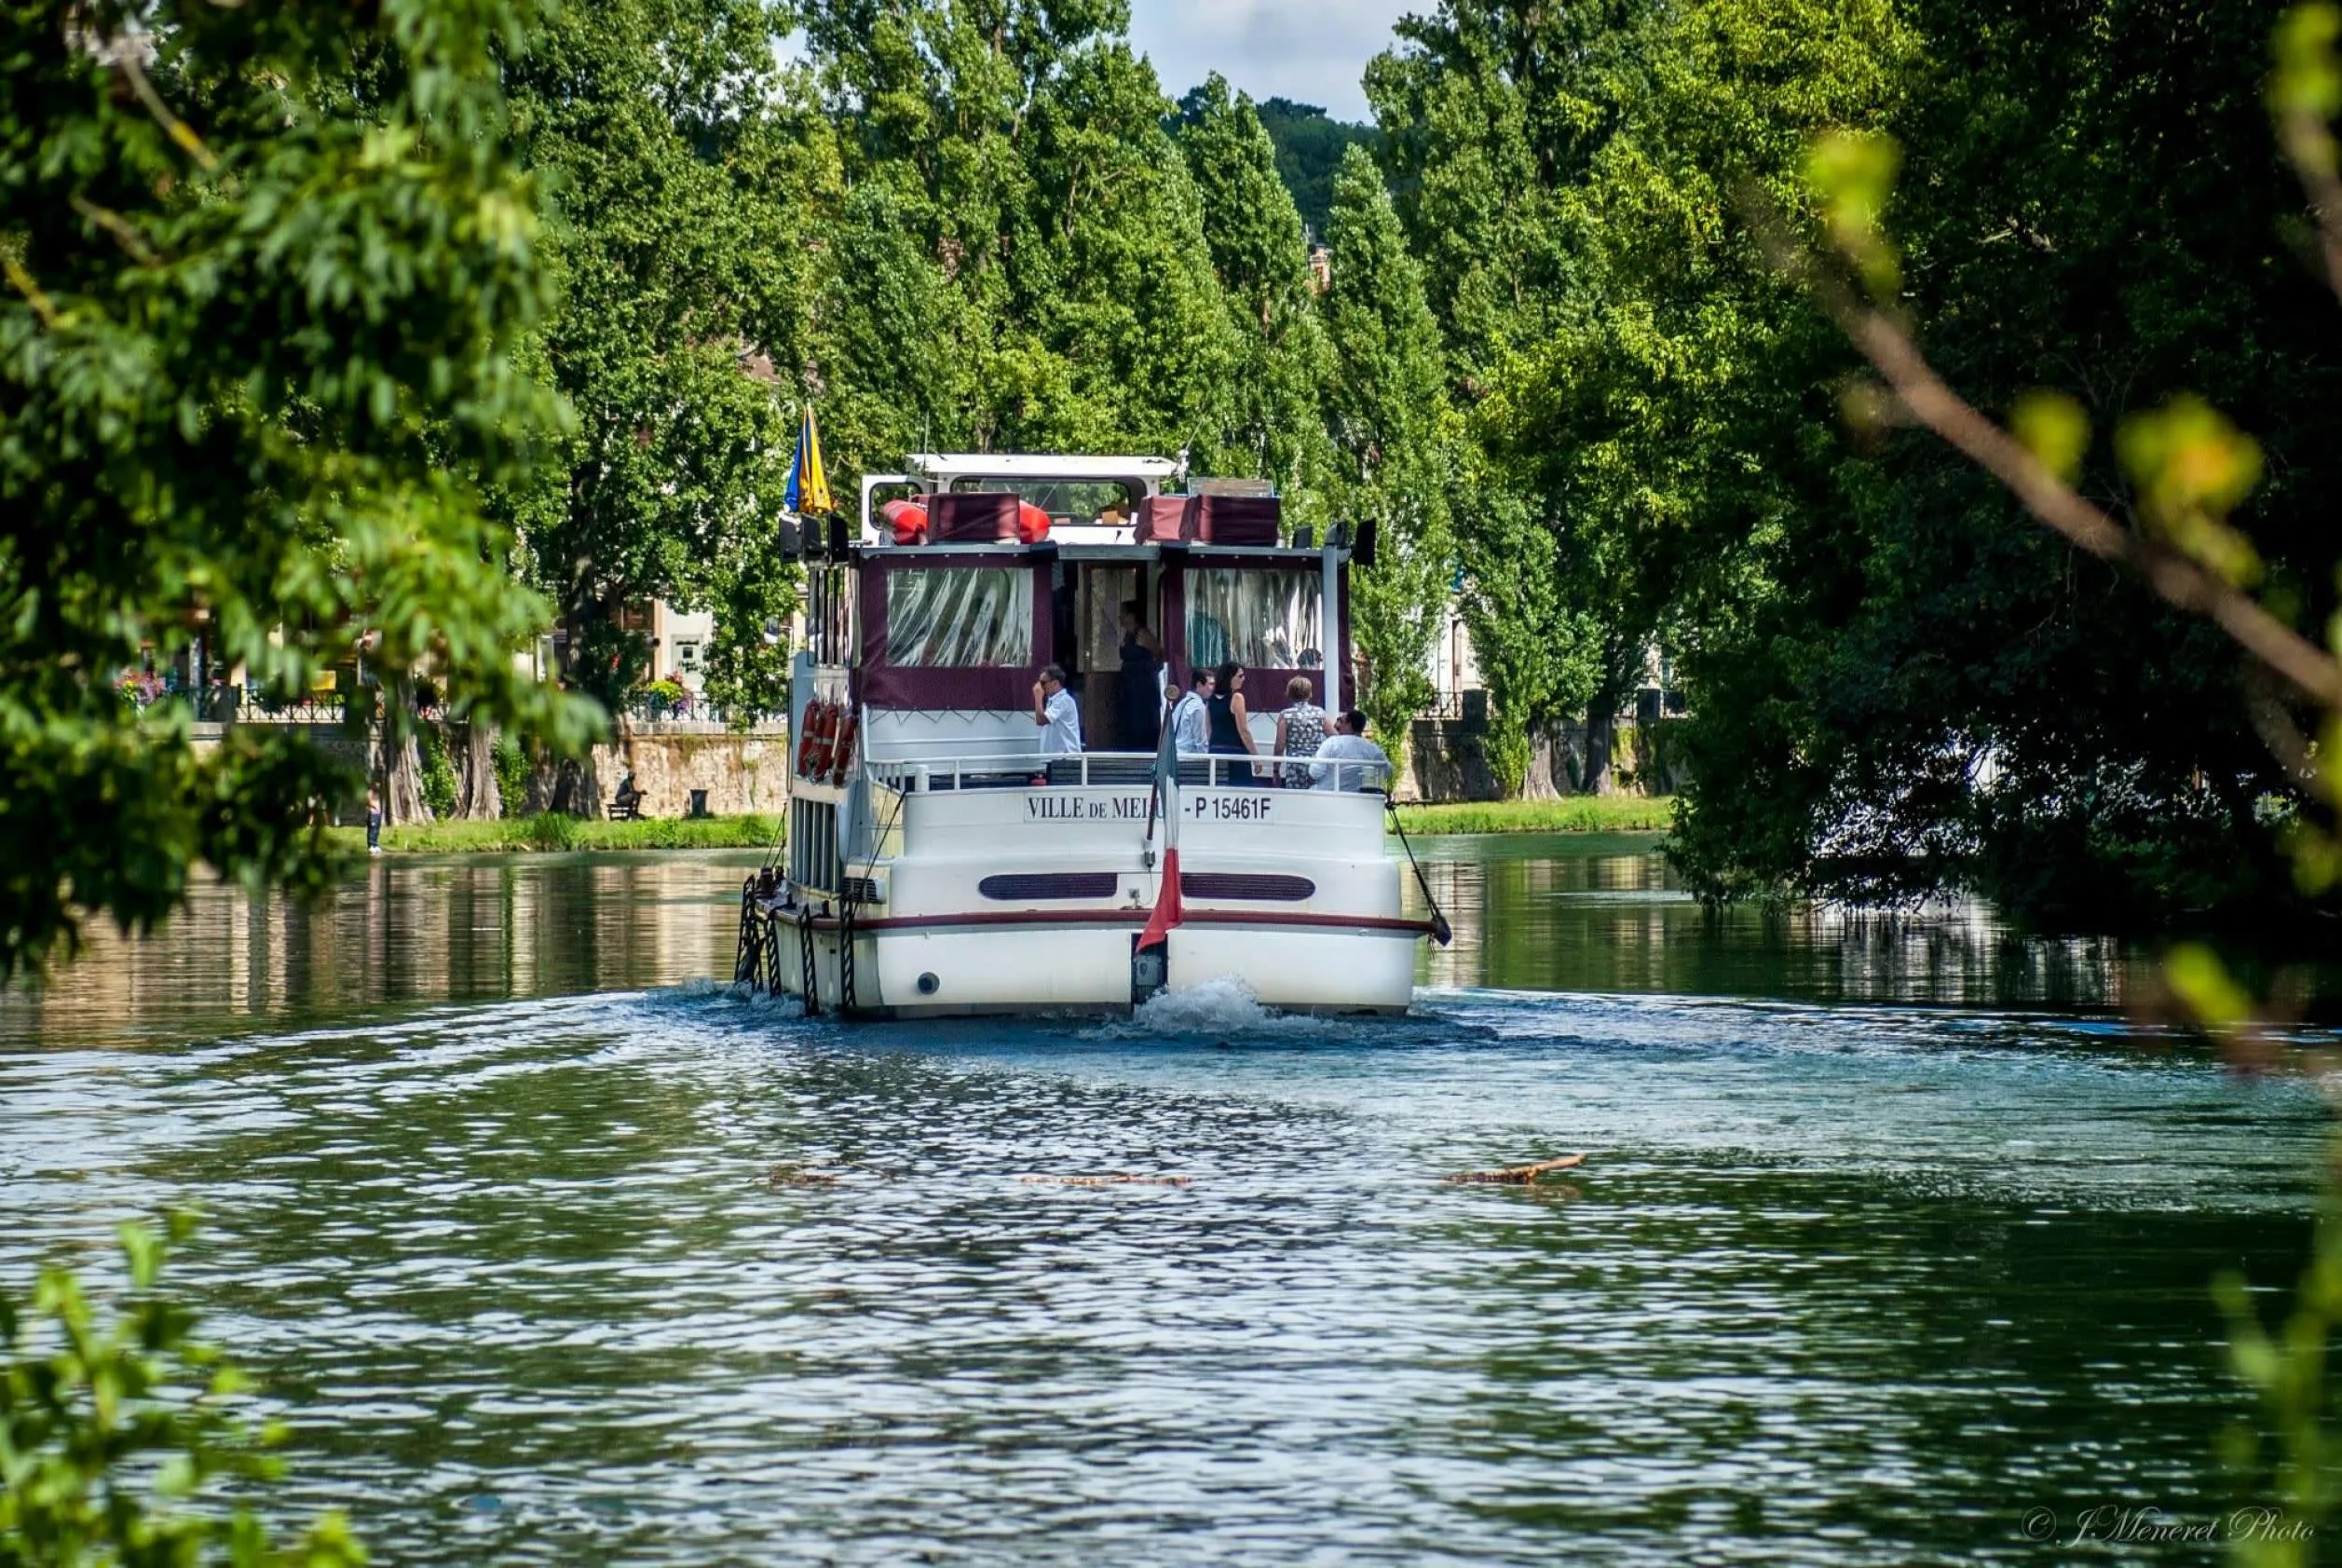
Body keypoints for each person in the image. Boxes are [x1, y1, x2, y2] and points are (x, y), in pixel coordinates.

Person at [1114, 599, 1163, 752]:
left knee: (1141, 714)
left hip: (1142, 681)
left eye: (1123, 613)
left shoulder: (1142, 633)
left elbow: (1158, 653)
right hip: (1129, 680)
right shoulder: (1127, 635)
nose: (1120, 617)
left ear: (1132, 615)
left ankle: (1145, 744)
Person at [1206, 660, 1260, 784]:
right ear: (1230, 678)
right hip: (1235, 754)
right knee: (1240, 793)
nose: (1243, 679)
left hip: (1215, 753)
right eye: (1240, 676)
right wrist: (1256, 757)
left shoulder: (1210, 700)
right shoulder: (1237, 698)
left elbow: (1209, 730)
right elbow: (1244, 731)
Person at [1311, 709, 1390, 793]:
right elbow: (1388, 772)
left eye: (1341, 722)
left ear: (1349, 724)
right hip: (1357, 798)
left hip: (1327, 795)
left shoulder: (1332, 743)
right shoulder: (1372, 749)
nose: (1337, 725)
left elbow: (1315, 772)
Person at [1272, 675, 1328, 787]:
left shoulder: (1286, 715)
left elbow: (1280, 746)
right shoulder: (1320, 713)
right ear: (1310, 693)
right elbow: (1334, 736)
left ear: (1290, 694)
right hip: (1316, 766)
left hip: (1295, 767)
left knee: (1295, 801)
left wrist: (1276, 771)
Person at [1030, 662, 1082, 783]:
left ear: (1055, 683)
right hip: (1054, 758)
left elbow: (1041, 720)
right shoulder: (1053, 701)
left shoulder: (1064, 701)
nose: (1040, 686)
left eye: (1043, 683)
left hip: (1065, 759)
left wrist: (1038, 697)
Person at [1167, 666, 1214, 757]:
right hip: (1189, 760)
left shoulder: (1181, 704)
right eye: (1211, 684)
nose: (1213, 688)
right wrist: (1209, 763)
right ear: (1199, 685)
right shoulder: (1198, 707)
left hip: (1174, 756)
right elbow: (1201, 742)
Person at [365, 786, 383, 855]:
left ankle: (375, 844)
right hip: (372, 813)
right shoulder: (370, 792)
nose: (378, 785)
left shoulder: (377, 793)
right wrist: (373, 806)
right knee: (372, 829)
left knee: (377, 830)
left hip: (377, 813)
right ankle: (371, 845)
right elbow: (368, 802)